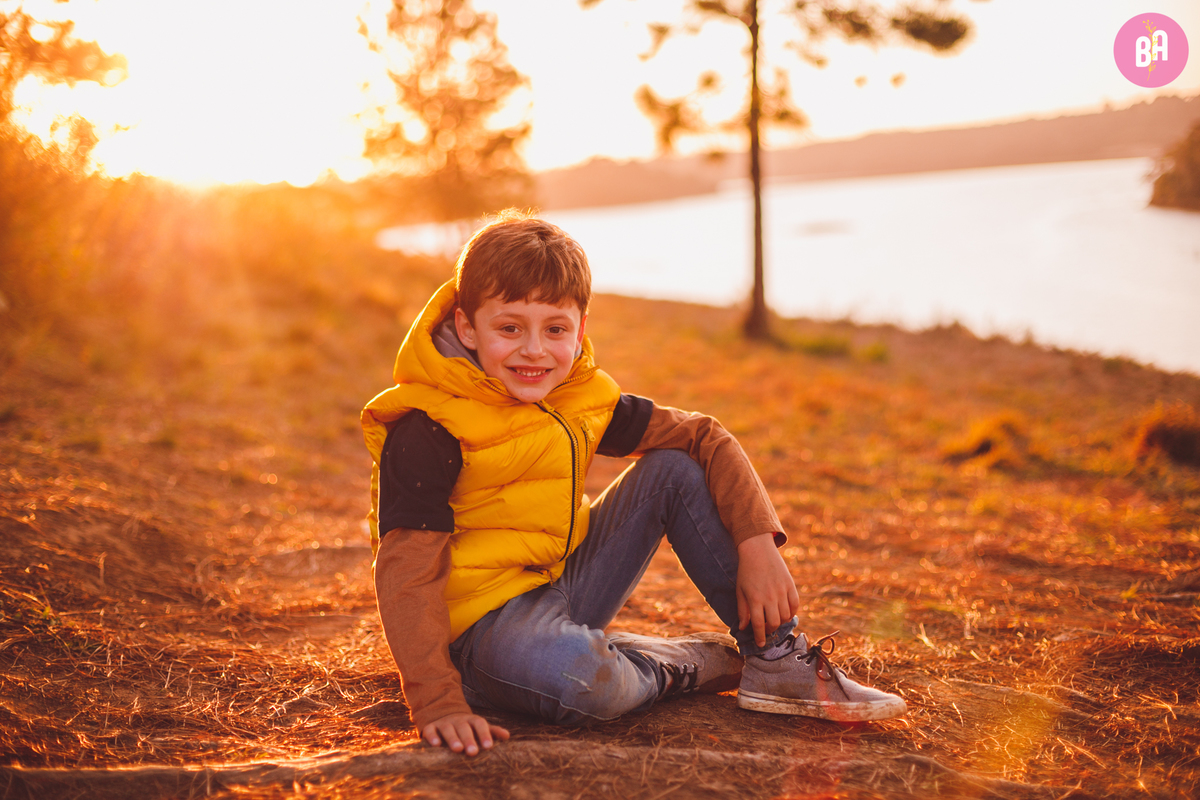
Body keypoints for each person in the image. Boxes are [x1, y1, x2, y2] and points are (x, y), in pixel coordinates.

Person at [361, 211, 905, 757]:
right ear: (466, 327)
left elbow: (703, 435)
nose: (535, 350)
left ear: (580, 329)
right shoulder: (427, 428)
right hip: (479, 632)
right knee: (580, 680)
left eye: (556, 329)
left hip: (562, 586)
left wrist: (758, 543)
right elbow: (405, 571)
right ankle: (670, 666)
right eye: (510, 328)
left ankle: (775, 657)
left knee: (673, 468)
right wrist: (437, 701)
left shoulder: (578, 395)